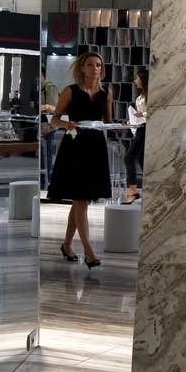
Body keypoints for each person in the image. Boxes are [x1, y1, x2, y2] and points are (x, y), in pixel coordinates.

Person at [47, 52, 113, 269]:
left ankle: (67, 245)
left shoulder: (107, 92)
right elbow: (54, 120)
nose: (95, 69)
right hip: (75, 146)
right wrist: (66, 125)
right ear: (82, 68)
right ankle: (89, 251)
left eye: (98, 65)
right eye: (90, 65)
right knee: (81, 200)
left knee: (79, 201)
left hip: (96, 146)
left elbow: (108, 121)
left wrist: (126, 125)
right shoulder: (70, 91)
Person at [123, 67, 148, 204]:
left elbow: (156, 110)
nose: (135, 81)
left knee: (128, 158)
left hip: (145, 129)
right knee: (141, 159)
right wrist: (132, 120)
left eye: (137, 78)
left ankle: (133, 192)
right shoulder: (140, 97)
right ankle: (146, 190)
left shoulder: (149, 95)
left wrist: (142, 114)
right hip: (139, 128)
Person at [40, 69, 59, 188]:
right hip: (42, 125)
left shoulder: (49, 87)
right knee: (43, 153)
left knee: (46, 153)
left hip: (49, 126)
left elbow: (54, 108)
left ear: (43, 75)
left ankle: (46, 179)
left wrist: (44, 107)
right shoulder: (40, 88)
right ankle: (44, 178)